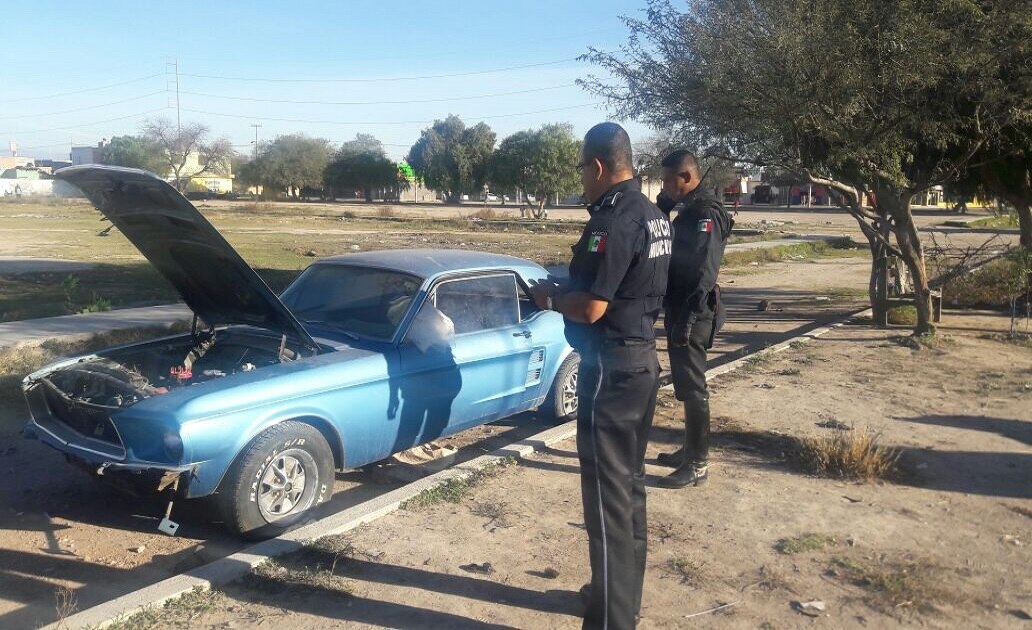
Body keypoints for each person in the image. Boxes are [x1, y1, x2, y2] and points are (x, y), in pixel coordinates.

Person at [531, 122, 671, 629]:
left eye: (583, 173)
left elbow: (591, 307)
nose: (583, 183)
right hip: (641, 363)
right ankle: (618, 600)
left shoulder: (611, 221)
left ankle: (612, 620)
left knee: (605, 502)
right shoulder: (656, 215)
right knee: (629, 491)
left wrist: (549, 298)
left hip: (609, 372)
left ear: (597, 167)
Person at [654, 150, 733, 489]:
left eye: (668, 180)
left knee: (693, 386)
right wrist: (662, 209)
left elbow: (703, 270)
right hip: (682, 308)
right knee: (686, 385)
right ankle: (689, 449)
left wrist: (687, 318)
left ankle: (698, 464)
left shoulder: (705, 214)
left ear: (686, 177)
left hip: (694, 311)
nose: (664, 186)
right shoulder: (689, 210)